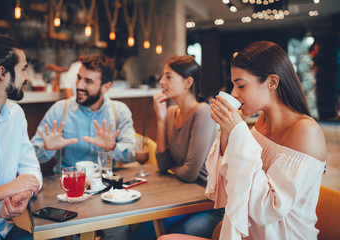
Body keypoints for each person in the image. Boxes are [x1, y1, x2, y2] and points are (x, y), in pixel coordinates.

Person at [205, 41, 327, 239]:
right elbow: (232, 178)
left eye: (241, 85)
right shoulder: (262, 122)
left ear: (272, 82)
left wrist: (239, 133)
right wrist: (228, 132)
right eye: (233, 85)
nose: (234, 93)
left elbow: (267, 209)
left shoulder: (306, 132)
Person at [31, 54, 135, 240]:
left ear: (106, 87)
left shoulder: (119, 112)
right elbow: (32, 156)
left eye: (88, 81)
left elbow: (131, 155)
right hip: (65, 195)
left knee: (120, 233)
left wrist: (113, 147)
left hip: (108, 194)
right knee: (56, 235)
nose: (79, 85)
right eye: (79, 78)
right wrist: (47, 148)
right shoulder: (59, 110)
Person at [129, 55, 224, 240]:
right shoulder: (171, 112)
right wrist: (161, 120)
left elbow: (190, 173)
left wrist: (175, 169)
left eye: (168, 76)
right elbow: (163, 165)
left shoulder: (203, 112)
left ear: (188, 82)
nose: (161, 81)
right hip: (181, 199)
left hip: (207, 204)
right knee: (139, 234)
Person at [0, 35, 42, 240]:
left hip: (4, 231)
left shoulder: (15, 115)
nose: (27, 78)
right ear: (2, 73)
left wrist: (24, 194)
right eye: (23, 69)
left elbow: (31, 170)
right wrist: (7, 190)